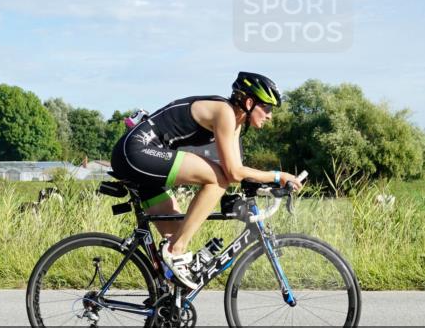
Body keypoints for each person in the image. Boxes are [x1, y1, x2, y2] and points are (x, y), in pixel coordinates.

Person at [109, 72, 303, 289]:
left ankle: (165, 305)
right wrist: (278, 175)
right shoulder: (225, 113)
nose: (269, 116)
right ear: (249, 102)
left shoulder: (236, 121)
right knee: (218, 178)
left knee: (175, 235)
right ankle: (175, 250)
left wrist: (267, 184)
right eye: (267, 108)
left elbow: (239, 171)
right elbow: (232, 174)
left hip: (143, 156)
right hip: (136, 152)